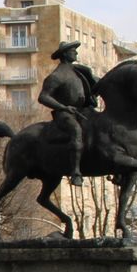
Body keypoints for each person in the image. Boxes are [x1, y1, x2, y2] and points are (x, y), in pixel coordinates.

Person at [37, 40, 98, 186]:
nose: (76, 53)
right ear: (65, 54)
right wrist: (63, 107)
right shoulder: (57, 75)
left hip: (82, 111)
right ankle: (75, 172)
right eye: (73, 51)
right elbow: (43, 97)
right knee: (76, 131)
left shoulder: (79, 72)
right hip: (64, 114)